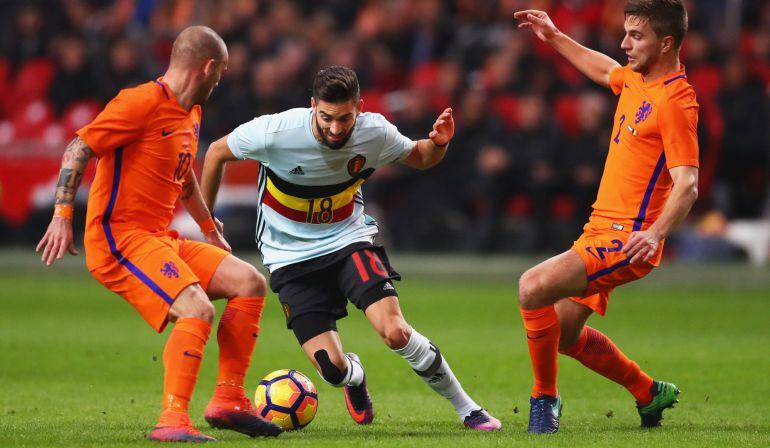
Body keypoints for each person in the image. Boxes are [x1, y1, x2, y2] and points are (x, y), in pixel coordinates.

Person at [201, 65, 502, 431]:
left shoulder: (374, 132)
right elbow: (216, 152)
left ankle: (468, 409)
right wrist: (206, 221)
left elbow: (421, 157)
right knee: (332, 369)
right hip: (290, 257)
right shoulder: (276, 131)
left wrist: (439, 143)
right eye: (326, 117)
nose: (335, 128)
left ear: (358, 107)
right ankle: (355, 376)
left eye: (344, 118)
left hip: (349, 240)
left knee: (395, 332)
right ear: (313, 106)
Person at [36, 26, 282, 442]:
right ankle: (172, 420)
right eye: (220, 72)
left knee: (249, 282)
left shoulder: (191, 113)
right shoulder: (139, 103)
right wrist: (62, 214)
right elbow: (78, 148)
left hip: (159, 237)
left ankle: (228, 400)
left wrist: (208, 228)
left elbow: (183, 177)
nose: (221, 80)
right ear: (207, 68)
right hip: (119, 240)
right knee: (197, 308)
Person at [513, 0, 699, 434]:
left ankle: (544, 400)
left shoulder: (675, 101)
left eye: (636, 36)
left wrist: (655, 234)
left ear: (666, 42)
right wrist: (556, 37)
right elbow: (603, 70)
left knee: (532, 287)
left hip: (629, 239)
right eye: (626, 33)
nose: (624, 43)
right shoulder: (637, 79)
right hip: (597, 230)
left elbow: (687, 184)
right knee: (562, 333)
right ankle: (648, 391)